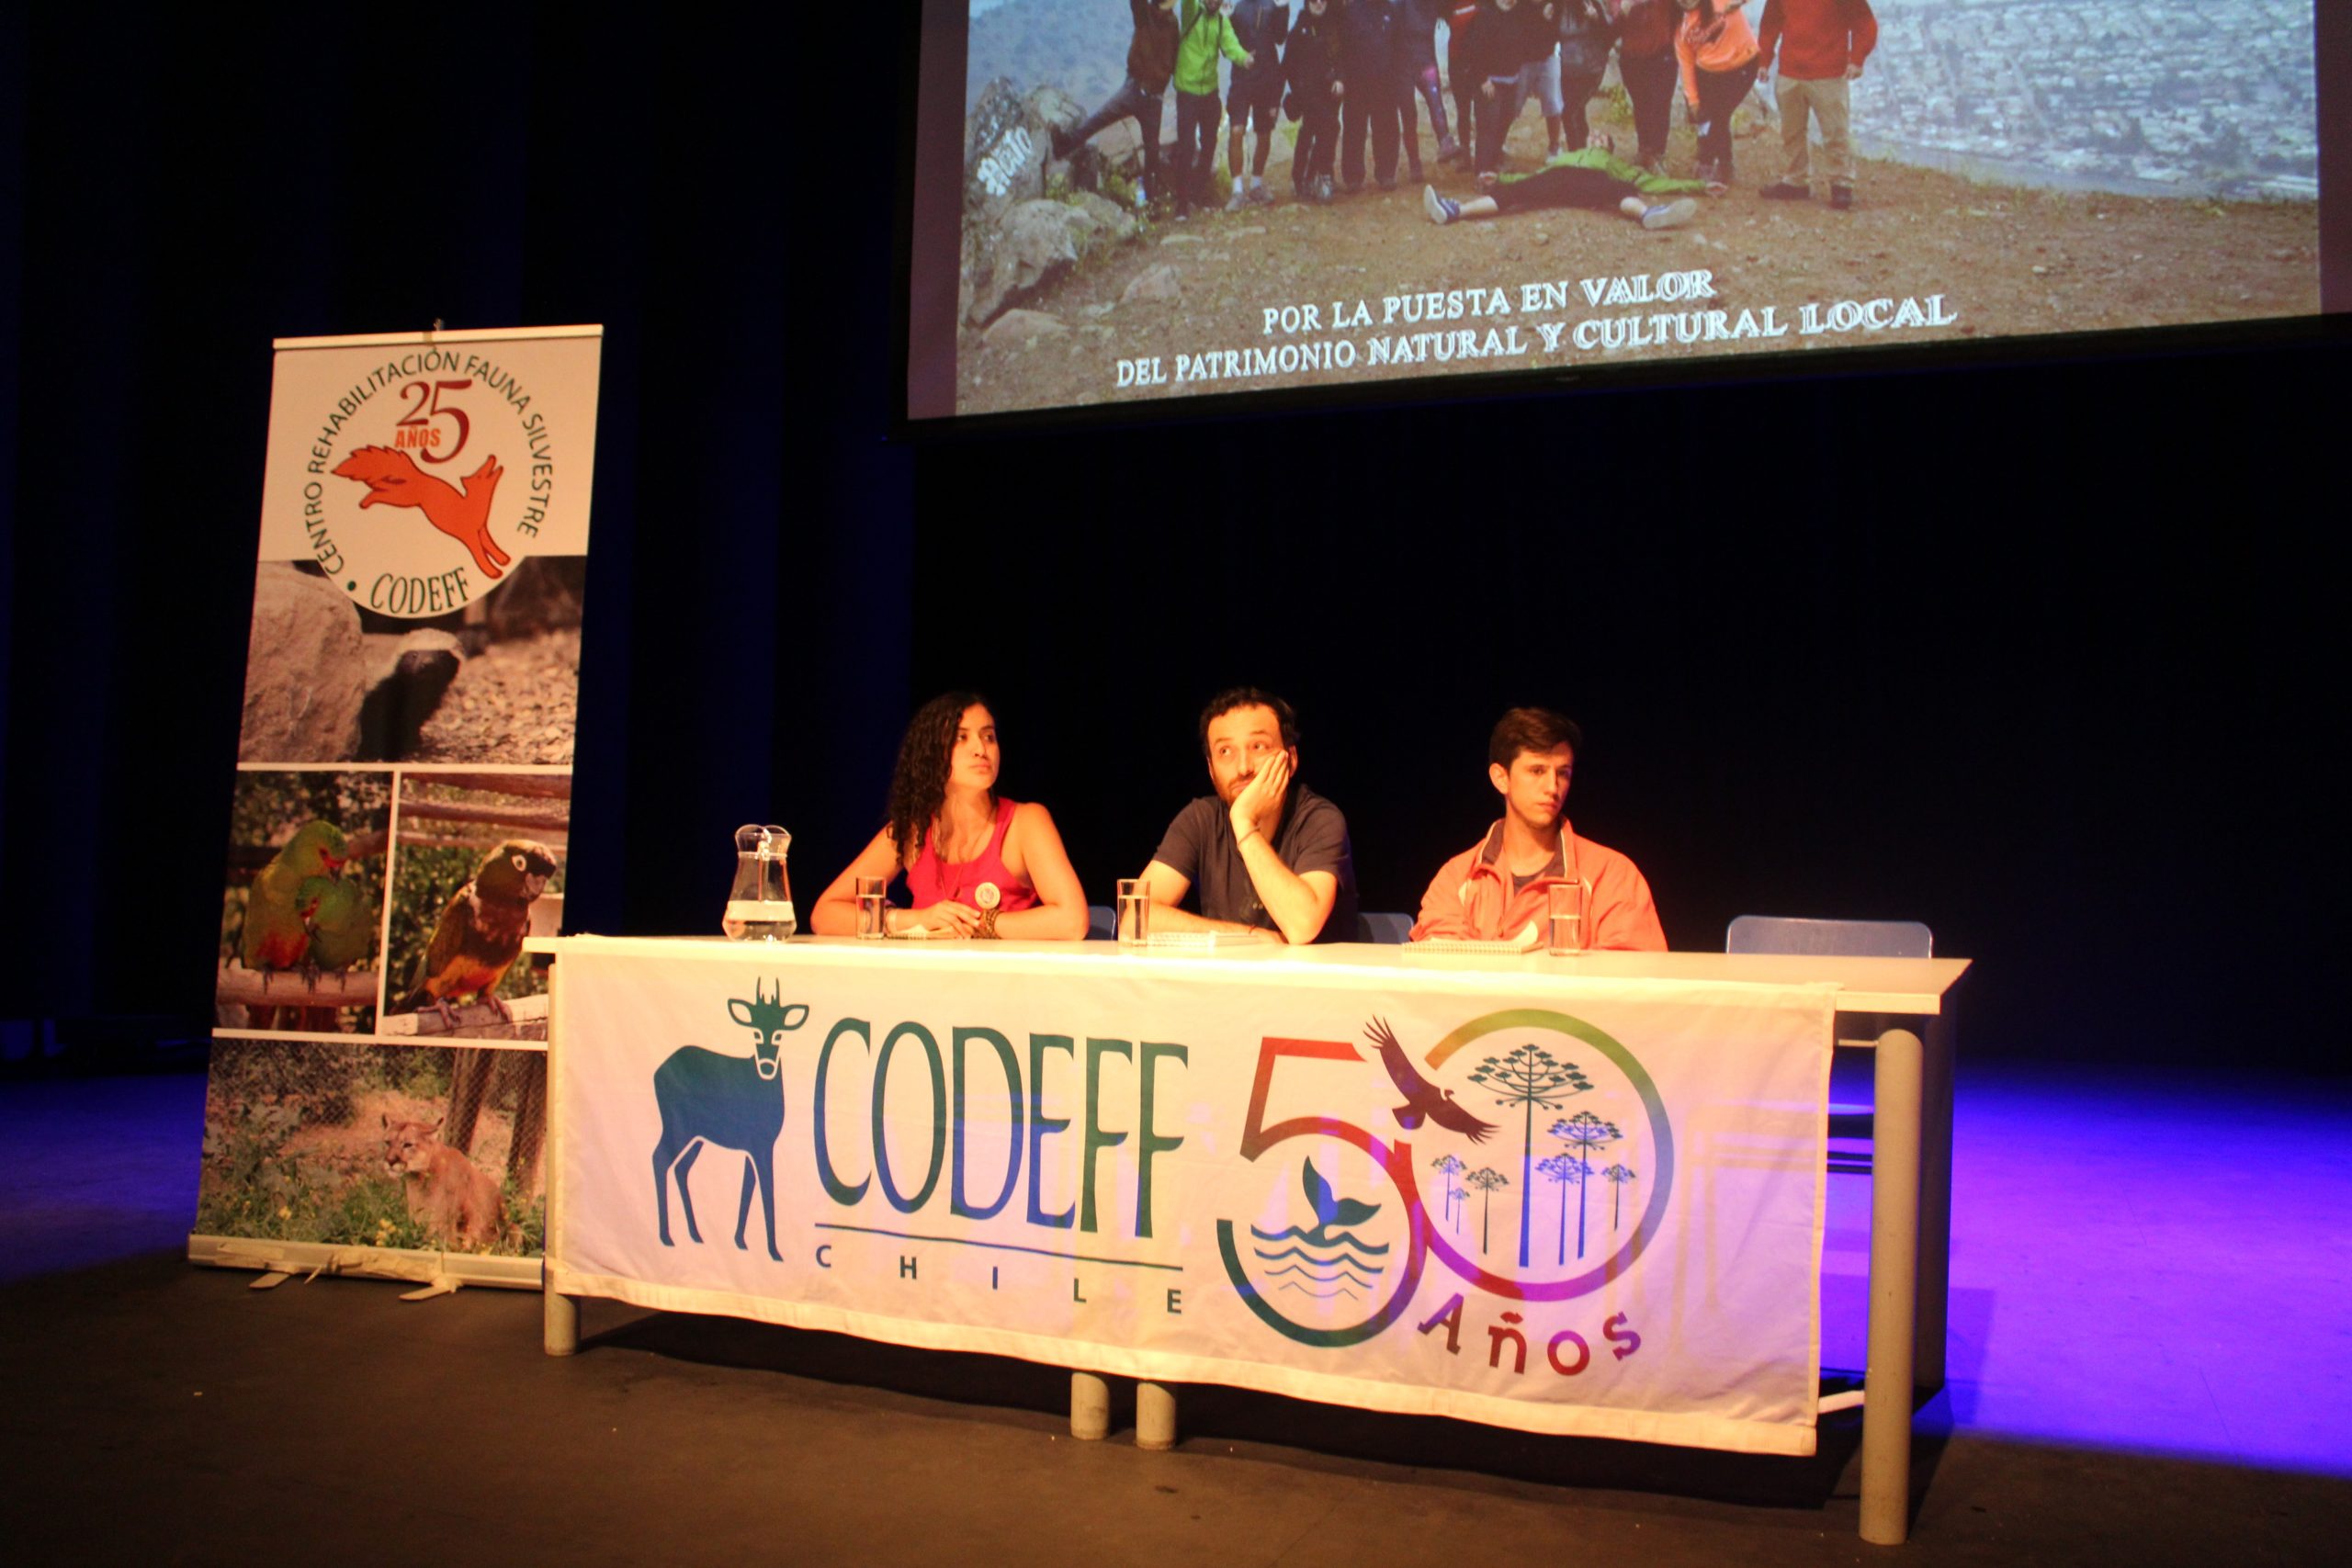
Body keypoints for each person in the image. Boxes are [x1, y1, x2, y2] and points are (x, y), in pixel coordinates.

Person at [811, 694, 1088, 940]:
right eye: (961, 737)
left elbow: (1072, 921)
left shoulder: (1025, 822)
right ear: (931, 753)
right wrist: (914, 919)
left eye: (989, 737)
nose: (981, 749)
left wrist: (980, 923)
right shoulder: (911, 831)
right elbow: (825, 914)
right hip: (927, 978)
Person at [1411, 707, 1665, 949]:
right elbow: (1439, 968)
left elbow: (1634, 972)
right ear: (1501, 778)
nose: (1552, 787)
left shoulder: (1612, 875)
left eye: (1563, 773)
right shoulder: (1458, 878)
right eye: (1537, 771)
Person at [1135, 687, 1358, 944]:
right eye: (1225, 751)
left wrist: (1244, 823)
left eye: (1258, 746)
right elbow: (1137, 918)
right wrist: (1249, 935)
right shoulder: (1200, 819)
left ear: (1291, 759)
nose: (1243, 768)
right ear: (1211, 769)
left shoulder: (1319, 819)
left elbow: (1301, 926)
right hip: (1231, 971)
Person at [1426, 132, 1719, 227]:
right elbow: (1535, 175)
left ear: (1608, 148)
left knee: (1620, 187)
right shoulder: (1566, 157)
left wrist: (1699, 186)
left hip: (1591, 182)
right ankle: (1455, 211)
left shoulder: (1611, 162)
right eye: (1594, 136)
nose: (1596, 138)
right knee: (1518, 190)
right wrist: (1501, 178)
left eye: (1602, 139)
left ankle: (1648, 214)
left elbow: (1651, 183)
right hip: (1557, 179)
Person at [1051, 2, 1183, 209]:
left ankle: (1152, 200)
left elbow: (1174, 56)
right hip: (1135, 87)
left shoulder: (1173, 23)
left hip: (1154, 96)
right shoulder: (1145, 14)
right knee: (1100, 118)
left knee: (1152, 150)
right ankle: (1064, 146)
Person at [1757, 0, 1875, 209]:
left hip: (1829, 72)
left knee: (1835, 131)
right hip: (1791, 70)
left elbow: (1864, 22)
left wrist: (1857, 59)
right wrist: (1764, 61)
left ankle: (1841, 183)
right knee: (1791, 130)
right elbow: (1770, 23)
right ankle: (1796, 180)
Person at [1461, 0, 1564, 184]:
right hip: (1491, 82)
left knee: (1504, 121)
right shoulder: (1486, 14)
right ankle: (1482, 172)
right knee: (1488, 126)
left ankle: (1493, 165)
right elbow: (1473, 50)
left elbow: (1535, 32)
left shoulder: (1519, 12)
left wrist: (1547, 17)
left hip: (1512, 80)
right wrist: (1482, 79)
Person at [1173, 0, 1257, 215]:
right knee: (1186, 146)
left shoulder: (1221, 21)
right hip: (1187, 92)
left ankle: (1198, 193)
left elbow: (1231, 45)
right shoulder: (1191, 11)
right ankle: (1182, 203)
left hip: (1210, 92)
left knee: (1209, 144)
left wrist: (1244, 59)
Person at [1674, 0, 1759, 184]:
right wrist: (1693, 100)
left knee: (1720, 115)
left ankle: (1707, 161)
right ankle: (1724, 163)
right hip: (1709, 73)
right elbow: (1686, 65)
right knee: (1712, 118)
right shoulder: (1681, 26)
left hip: (1742, 64)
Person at [1224, 0, 1292, 209]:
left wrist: (1283, 8)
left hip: (1266, 78)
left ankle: (1256, 184)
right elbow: (1226, 45)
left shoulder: (1272, 4)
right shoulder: (1236, 7)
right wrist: (1226, 19)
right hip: (1241, 78)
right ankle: (1237, 191)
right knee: (1236, 130)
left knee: (1264, 133)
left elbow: (1280, 37)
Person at [1339, 0, 1404, 193]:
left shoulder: (1391, 10)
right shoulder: (1350, 11)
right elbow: (1342, 49)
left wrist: (1397, 78)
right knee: (1354, 129)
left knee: (1387, 127)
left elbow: (1399, 47)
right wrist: (1342, 77)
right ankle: (1353, 178)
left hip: (1385, 82)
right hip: (1356, 82)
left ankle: (1386, 174)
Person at [1284, 0, 1345, 202]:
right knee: (1315, 130)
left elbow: (1341, 58)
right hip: (1307, 94)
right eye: (1313, 0)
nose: (1318, 3)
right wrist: (1297, 92)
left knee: (1329, 128)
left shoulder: (1333, 27)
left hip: (1329, 92)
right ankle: (1304, 178)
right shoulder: (1298, 30)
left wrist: (1340, 79)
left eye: (1322, 0)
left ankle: (1322, 176)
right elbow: (1287, 66)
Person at [1613, 0, 1682, 172]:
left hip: (1663, 52)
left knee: (1661, 105)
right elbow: (1610, 31)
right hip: (1631, 56)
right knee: (1641, 104)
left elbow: (1684, 9)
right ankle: (1644, 149)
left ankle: (1658, 153)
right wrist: (1623, 12)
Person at [1401, 0, 1462, 168]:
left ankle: (1443, 142)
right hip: (1407, 63)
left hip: (1420, 60)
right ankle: (1415, 161)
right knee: (1411, 113)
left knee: (1432, 104)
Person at [1553, 0, 1617, 156]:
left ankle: (1576, 155)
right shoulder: (1556, 5)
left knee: (1569, 112)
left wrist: (1597, 19)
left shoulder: (1591, 3)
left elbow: (1610, 36)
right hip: (1567, 70)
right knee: (1576, 112)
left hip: (1591, 69)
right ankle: (1584, 151)